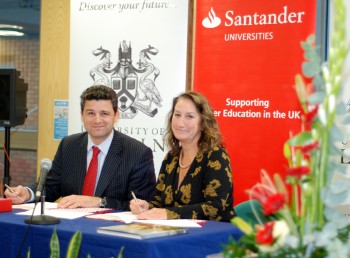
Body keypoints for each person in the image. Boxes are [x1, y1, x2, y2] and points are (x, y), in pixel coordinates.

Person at [5, 85, 156, 210]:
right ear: (82, 115)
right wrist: (28, 193)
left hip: (110, 233)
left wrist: (98, 202)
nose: (97, 120)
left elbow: (140, 206)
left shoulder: (138, 153)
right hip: (68, 227)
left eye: (104, 113)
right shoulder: (69, 145)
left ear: (116, 116)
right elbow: (51, 187)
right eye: (90, 113)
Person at [130, 91, 235, 221]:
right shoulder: (171, 157)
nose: (180, 123)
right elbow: (158, 202)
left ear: (203, 122)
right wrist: (147, 207)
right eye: (177, 115)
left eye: (189, 116)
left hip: (214, 235)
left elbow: (216, 207)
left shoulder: (216, 156)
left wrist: (169, 213)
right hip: (174, 233)